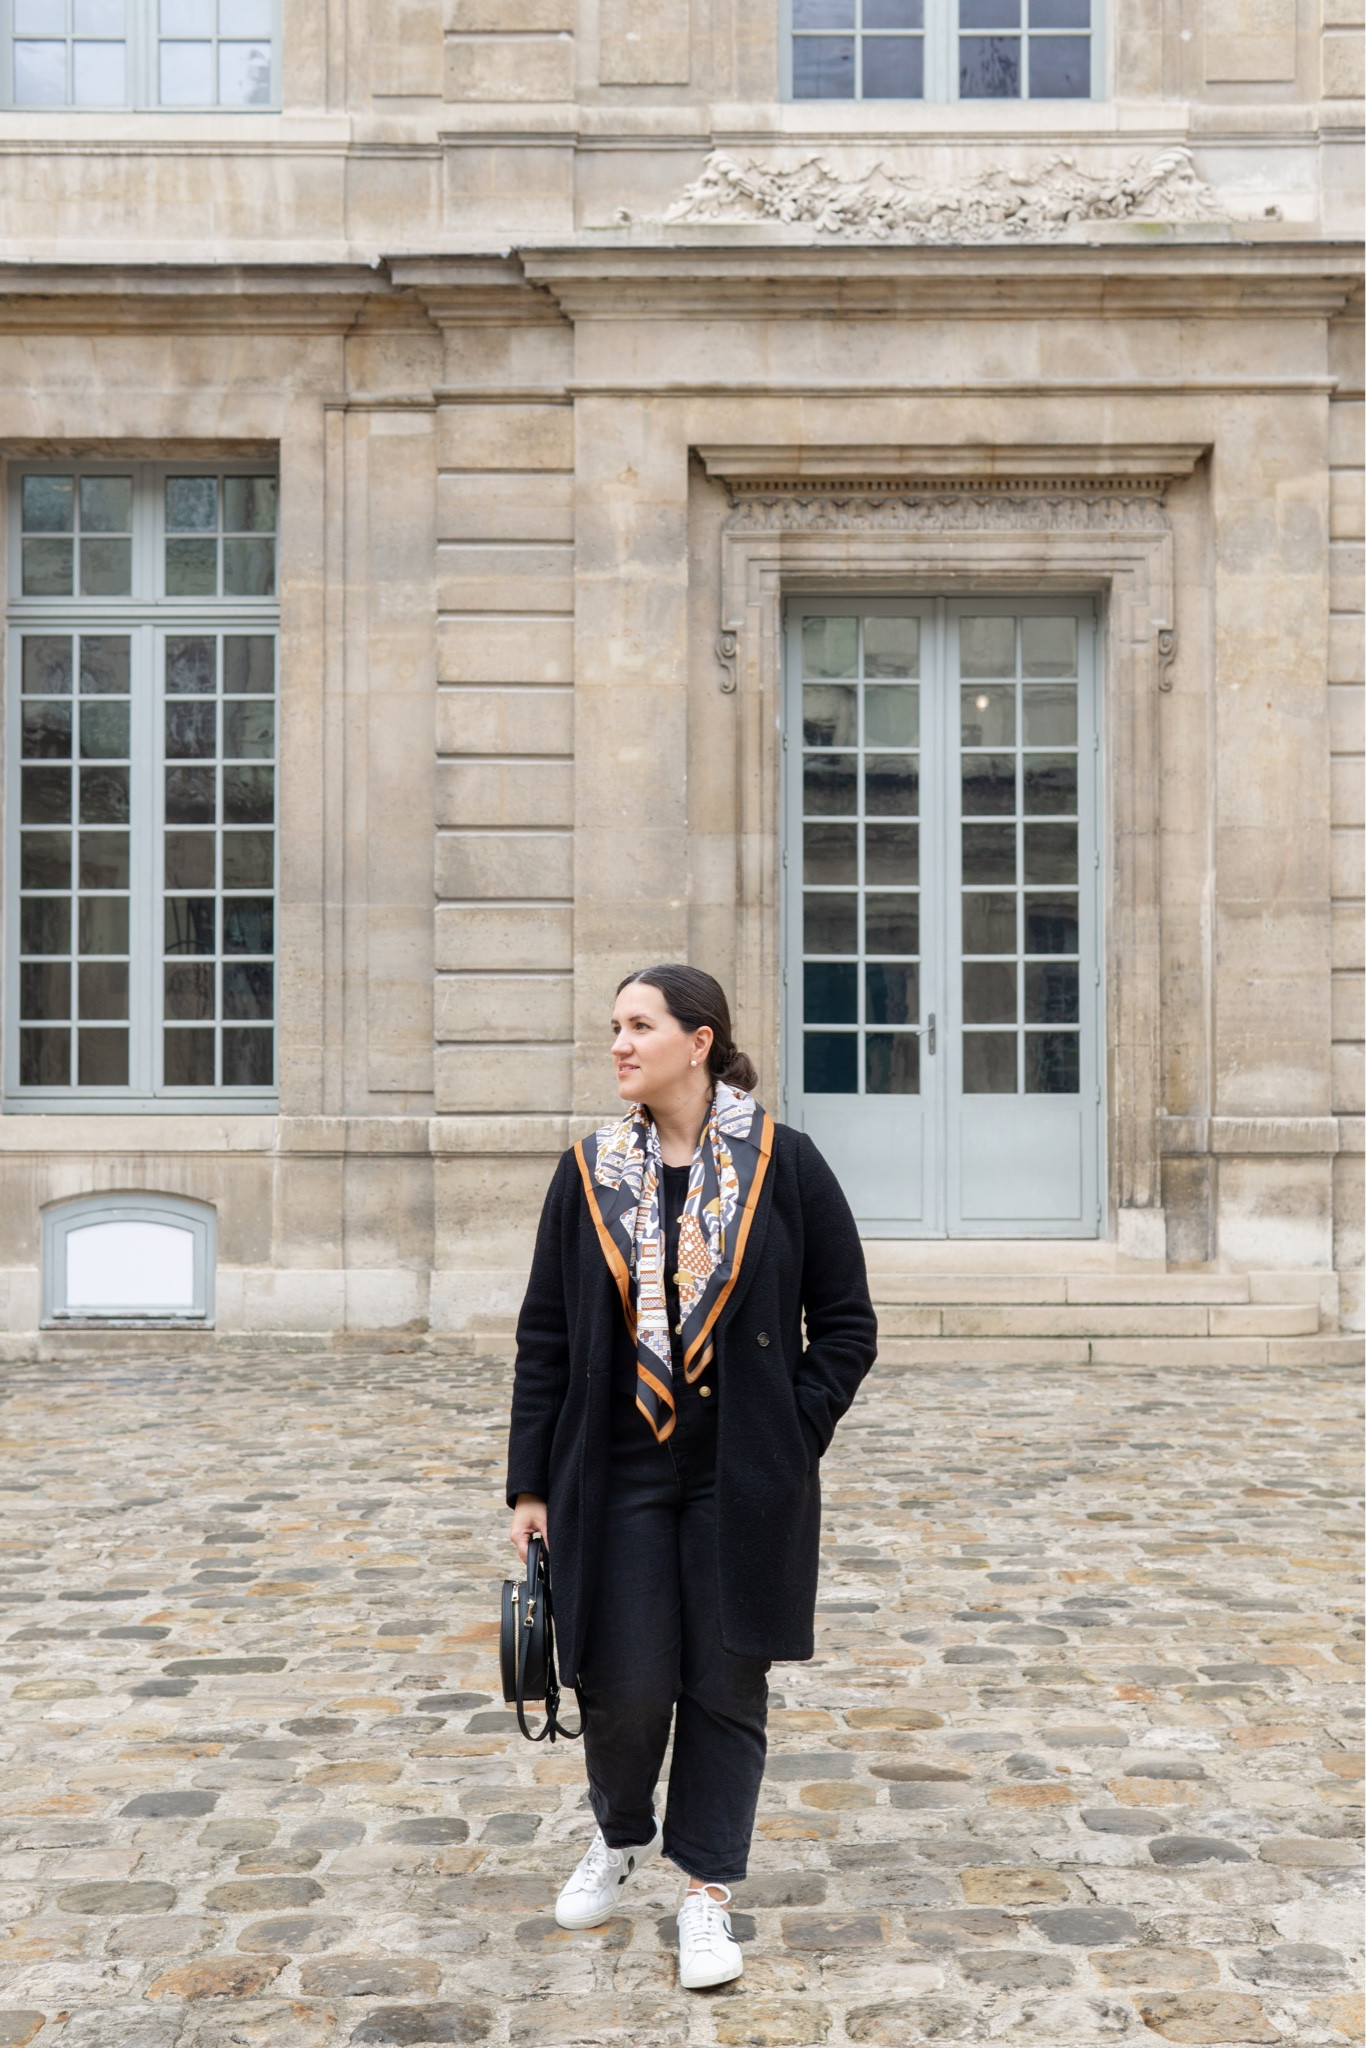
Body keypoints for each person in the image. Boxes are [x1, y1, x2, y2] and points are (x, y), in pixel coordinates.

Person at [505, 964, 878, 1990]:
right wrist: (528, 1488)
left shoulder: (783, 1166)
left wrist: (788, 1433)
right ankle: (621, 1833)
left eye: (639, 1025)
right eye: (614, 1027)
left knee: (723, 1682)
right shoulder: (587, 1174)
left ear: (698, 1039)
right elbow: (545, 1337)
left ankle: (706, 1892)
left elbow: (845, 1324)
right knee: (620, 1680)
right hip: (611, 1473)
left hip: (737, 1478)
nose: (619, 1044)